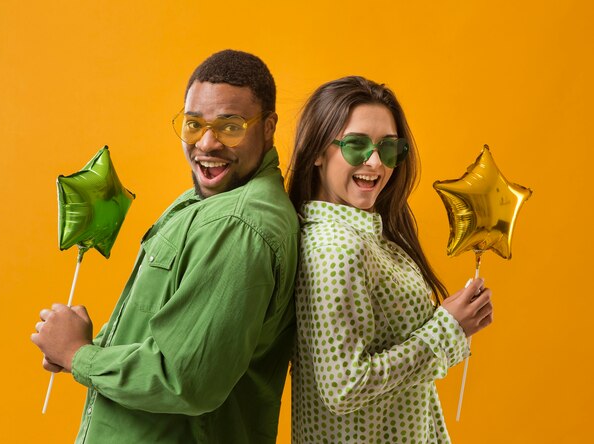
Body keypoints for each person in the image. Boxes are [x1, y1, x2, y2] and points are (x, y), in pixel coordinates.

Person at [31, 50, 299, 444]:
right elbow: (172, 332)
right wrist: (89, 344)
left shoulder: (236, 225)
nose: (207, 144)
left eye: (230, 126)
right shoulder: (203, 202)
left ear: (269, 126)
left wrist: (78, 356)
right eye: (194, 125)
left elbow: (185, 379)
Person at [287, 76, 493, 443]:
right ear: (317, 151)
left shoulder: (366, 237)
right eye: (356, 146)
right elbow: (344, 388)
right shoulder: (337, 248)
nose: (375, 162)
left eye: (389, 149)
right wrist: (447, 329)